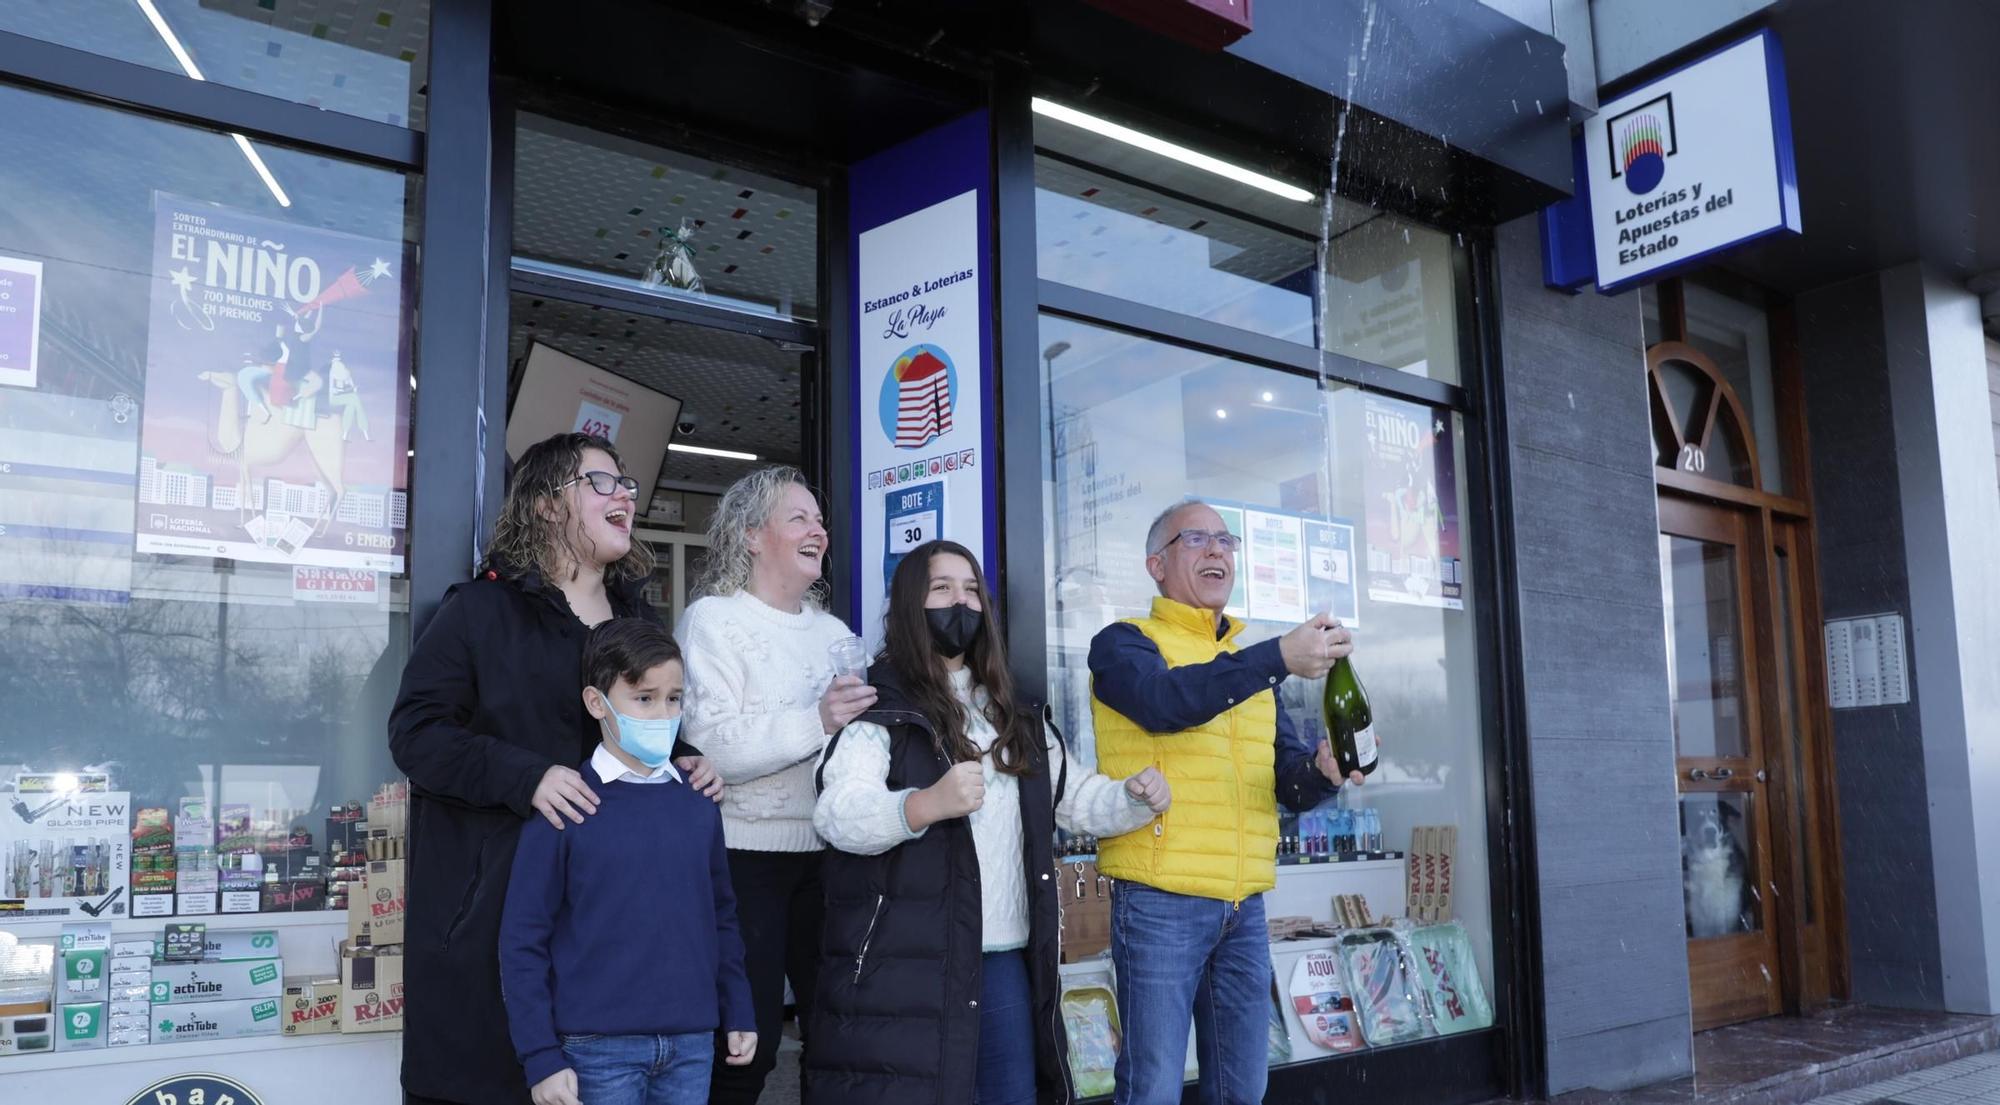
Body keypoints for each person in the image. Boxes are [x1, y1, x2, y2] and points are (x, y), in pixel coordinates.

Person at [389, 432, 722, 1105]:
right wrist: (527, 777)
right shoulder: (479, 610)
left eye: (626, 483)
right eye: (600, 481)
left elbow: (635, 729)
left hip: (613, 939)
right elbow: (416, 734)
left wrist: (682, 756)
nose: (623, 493)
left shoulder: (638, 618)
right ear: (545, 503)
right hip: (494, 923)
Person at [805, 541, 1171, 1105]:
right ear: (910, 603)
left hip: (1003, 958)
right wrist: (923, 805)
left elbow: (1073, 797)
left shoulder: (1012, 708)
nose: (961, 602)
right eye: (942, 588)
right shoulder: (880, 700)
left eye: (972, 589)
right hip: (908, 960)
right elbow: (838, 814)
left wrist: (1133, 798)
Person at [1088, 498, 1367, 1105]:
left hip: (1244, 907)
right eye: (1195, 539)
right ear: (1156, 566)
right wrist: (1275, 658)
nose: (1217, 549)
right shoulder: (1123, 644)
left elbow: (1286, 784)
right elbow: (1165, 703)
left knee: (1243, 1088)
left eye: (1226, 540)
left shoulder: (1252, 670)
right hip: (1160, 901)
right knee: (1152, 1087)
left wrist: (1322, 774)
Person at [676, 466, 876, 1104]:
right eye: (798, 518)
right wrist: (818, 719)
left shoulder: (836, 634)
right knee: (747, 1045)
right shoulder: (712, 621)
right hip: (742, 860)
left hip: (832, 856)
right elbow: (709, 746)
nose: (818, 530)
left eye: (819, 520)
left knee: (840, 1036)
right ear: (751, 536)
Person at [501, 618, 755, 1105]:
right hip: (595, 1049)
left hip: (692, 1043)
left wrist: (737, 1007)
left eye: (674, 698)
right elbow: (522, 940)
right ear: (597, 702)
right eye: (644, 698)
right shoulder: (564, 807)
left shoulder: (698, 802)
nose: (663, 713)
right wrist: (540, 1056)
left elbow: (721, 915)